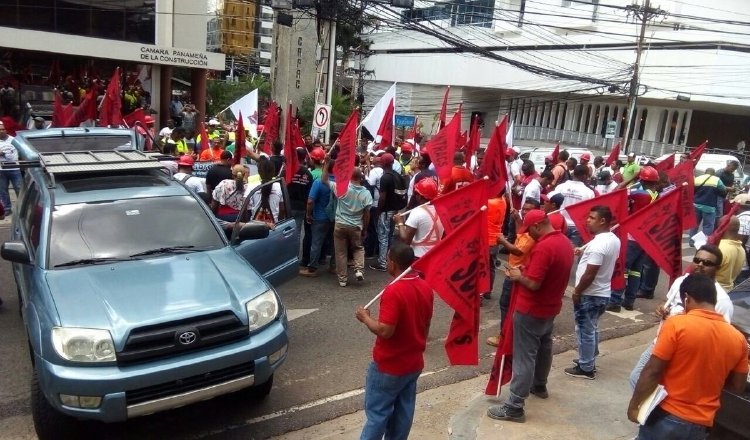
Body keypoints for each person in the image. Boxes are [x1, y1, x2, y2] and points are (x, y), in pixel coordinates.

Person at [627, 273, 747, 439]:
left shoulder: (677, 324)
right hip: (701, 424)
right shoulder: (738, 339)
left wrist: (634, 405)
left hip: (666, 416)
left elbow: (652, 371)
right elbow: (738, 386)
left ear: (687, 299)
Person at [487, 210, 574, 422]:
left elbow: (534, 284)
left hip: (531, 309)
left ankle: (514, 406)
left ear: (537, 226)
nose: (528, 235)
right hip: (550, 307)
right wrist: (527, 269)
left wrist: (518, 275)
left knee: (524, 356)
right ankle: (539, 385)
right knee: (544, 347)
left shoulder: (544, 247)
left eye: (529, 230)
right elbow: (545, 273)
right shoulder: (564, 242)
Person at [628, 244, 734, 390]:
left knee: (666, 388)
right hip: (660, 344)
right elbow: (667, 302)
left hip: (687, 355)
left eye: (707, 263)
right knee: (636, 379)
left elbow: (721, 337)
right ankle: (645, 411)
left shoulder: (722, 300)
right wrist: (662, 308)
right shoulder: (680, 282)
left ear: (718, 268)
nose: (700, 265)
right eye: (697, 260)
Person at [356, 243, 433, 440]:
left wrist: (365, 318)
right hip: (413, 363)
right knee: (403, 414)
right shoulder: (425, 286)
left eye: (388, 259)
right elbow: (426, 325)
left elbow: (385, 331)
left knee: (377, 416)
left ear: (392, 263)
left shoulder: (393, 291)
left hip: (389, 365)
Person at [565, 206, 620, 380]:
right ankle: (588, 359)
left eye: (592, 218)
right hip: (602, 293)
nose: (587, 220)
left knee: (584, 330)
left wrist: (578, 291)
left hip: (590, 294)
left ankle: (586, 367)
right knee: (592, 328)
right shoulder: (612, 239)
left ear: (602, 221)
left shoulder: (598, 245)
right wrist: (583, 251)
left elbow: (590, 273)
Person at [607, 166, 661, 312]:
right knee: (636, 271)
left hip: (632, 237)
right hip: (645, 238)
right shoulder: (657, 196)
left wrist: (632, 178)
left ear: (641, 180)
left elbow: (617, 190)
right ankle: (629, 301)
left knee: (623, 268)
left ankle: (615, 300)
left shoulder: (640, 194)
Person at [487, 198, 539, 348]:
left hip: (516, 275)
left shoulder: (532, 232)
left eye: (529, 209)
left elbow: (518, 250)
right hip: (514, 272)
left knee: (506, 306)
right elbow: (519, 235)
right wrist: (517, 219)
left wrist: (502, 241)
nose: (525, 211)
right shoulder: (528, 228)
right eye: (524, 208)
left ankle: (504, 337)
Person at [321, 158, 372, 287]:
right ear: (361, 178)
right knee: (358, 248)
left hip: (340, 225)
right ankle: (359, 270)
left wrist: (327, 164)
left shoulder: (342, 187)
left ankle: (342, 279)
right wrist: (365, 229)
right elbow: (367, 214)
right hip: (355, 226)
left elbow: (324, 180)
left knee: (340, 252)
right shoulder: (366, 194)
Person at [371, 153, 406, 272]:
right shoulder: (397, 175)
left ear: (383, 163)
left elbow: (382, 197)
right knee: (390, 236)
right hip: (395, 211)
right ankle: (390, 259)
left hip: (385, 211)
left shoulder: (385, 177)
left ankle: (382, 262)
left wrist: (378, 210)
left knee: (383, 237)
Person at [300, 161, 335, 277]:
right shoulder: (340, 183)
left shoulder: (319, 182)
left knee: (316, 243)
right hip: (336, 218)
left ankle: (312, 268)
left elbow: (310, 201)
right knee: (335, 243)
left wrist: (308, 214)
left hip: (320, 217)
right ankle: (333, 266)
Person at [392, 178, 442, 258]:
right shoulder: (441, 210)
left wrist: (400, 222)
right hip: (436, 256)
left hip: (419, 257)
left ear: (420, 196)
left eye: (416, 193)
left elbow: (405, 240)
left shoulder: (417, 212)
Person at [549, 165, 595, 247]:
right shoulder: (589, 192)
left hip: (560, 224)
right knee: (571, 254)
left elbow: (549, 201)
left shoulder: (560, 187)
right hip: (576, 227)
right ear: (584, 176)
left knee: (557, 250)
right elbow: (590, 211)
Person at [482, 189, 509, 302]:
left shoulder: (490, 203)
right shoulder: (503, 200)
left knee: (482, 268)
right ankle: (488, 291)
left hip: (486, 240)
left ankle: (480, 294)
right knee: (491, 267)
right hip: (496, 239)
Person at [689, 168, 726, 244]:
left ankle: (691, 241)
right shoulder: (716, 180)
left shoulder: (697, 179)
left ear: (705, 172)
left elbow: (691, 190)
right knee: (708, 226)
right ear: (713, 174)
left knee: (694, 224)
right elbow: (723, 191)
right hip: (710, 207)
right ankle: (703, 242)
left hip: (696, 205)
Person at [246, 157, 283, 226]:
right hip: (274, 227)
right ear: (273, 172)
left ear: (259, 172)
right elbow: (282, 209)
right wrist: (279, 226)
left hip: (254, 226)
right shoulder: (279, 186)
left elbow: (245, 208)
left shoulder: (251, 186)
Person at [716, 216, 746, 291]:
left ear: (722, 227)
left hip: (713, 291)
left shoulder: (720, 248)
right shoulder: (741, 249)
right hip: (729, 290)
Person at [0, 121, 21, 215]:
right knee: (2, 190)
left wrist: (3, 153)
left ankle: (21, 207)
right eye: (0, 130)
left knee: (19, 188)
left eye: (3, 129)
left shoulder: (14, 140)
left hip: (14, 168)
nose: (2, 131)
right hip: (1, 170)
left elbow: (19, 151)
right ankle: (7, 208)